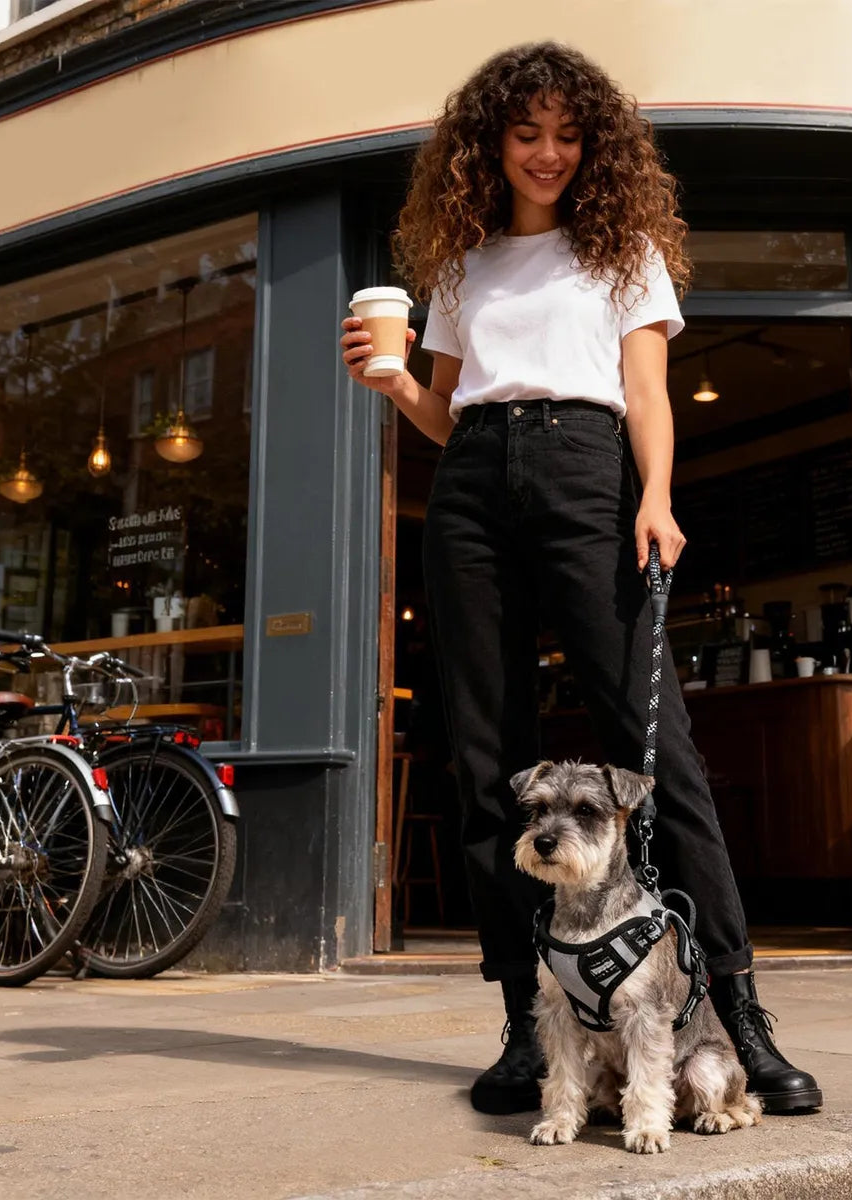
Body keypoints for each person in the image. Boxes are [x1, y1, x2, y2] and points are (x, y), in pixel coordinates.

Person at [340, 41, 823, 1119]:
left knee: (664, 752)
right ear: (490, 145)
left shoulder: (625, 251)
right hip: (471, 487)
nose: (548, 153)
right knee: (484, 761)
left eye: (567, 134)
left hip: (586, 470)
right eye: (526, 134)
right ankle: (525, 1020)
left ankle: (739, 1019)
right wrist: (391, 378)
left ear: (592, 145)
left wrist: (656, 495)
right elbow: (447, 408)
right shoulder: (461, 265)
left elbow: (647, 393)